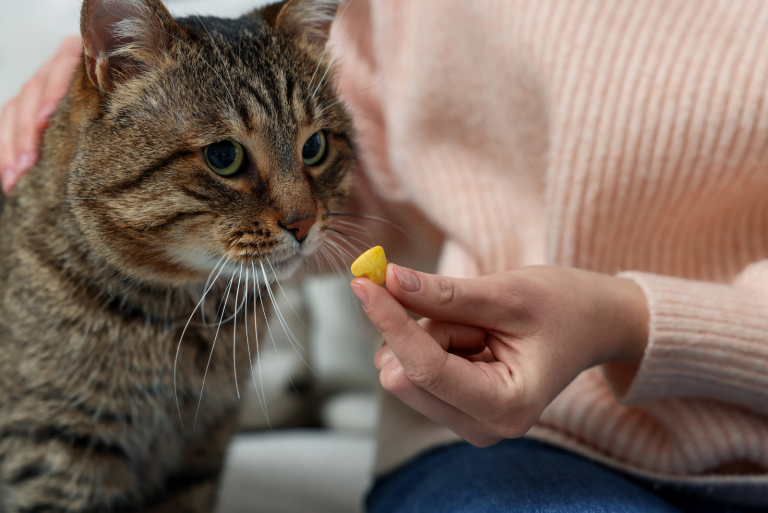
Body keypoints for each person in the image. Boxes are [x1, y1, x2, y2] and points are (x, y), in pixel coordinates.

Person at [3, 1, 768, 511]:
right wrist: (114, 73)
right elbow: (380, 179)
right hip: (511, 443)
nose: (298, 216)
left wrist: (625, 320)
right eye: (228, 160)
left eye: (311, 153)